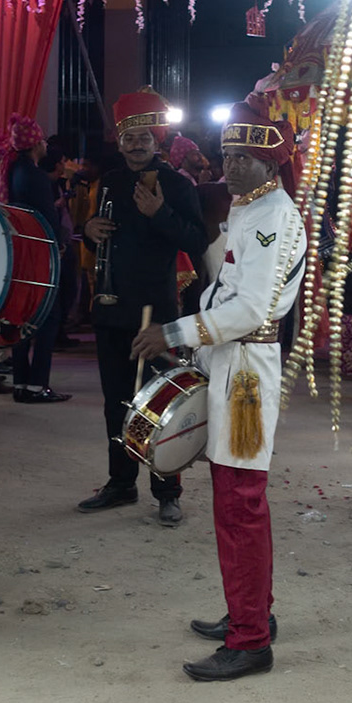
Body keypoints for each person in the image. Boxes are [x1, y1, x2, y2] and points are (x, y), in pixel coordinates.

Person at [131, 98, 305, 681]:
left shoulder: (275, 217)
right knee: (235, 500)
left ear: (270, 162)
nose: (228, 167)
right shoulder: (249, 209)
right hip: (230, 359)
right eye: (227, 155)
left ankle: (251, 638)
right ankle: (252, 612)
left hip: (248, 369)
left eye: (243, 158)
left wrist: (174, 333)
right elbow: (224, 288)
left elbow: (252, 306)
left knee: (240, 503)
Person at [78, 91, 206, 524]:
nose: (136, 145)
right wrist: (88, 229)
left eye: (144, 137)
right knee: (116, 401)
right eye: (128, 137)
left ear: (157, 140)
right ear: (119, 141)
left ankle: (167, 488)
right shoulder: (110, 180)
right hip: (112, 306)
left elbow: (196, 240)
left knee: (159, 401)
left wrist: (159, 213)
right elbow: (98, 230)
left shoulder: (176, 184)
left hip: (157, 313)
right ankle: (120, 483)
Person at [4, 116, 70, 403]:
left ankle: (21, 382)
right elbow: (48, 218)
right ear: (34, 145)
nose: (45, 145)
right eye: (41, 140)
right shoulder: (34, 175)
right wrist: (61, 244)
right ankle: (37, 384)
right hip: (39, 252)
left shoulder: (14, 170)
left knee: (21, 315)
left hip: (20, 250)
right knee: (48, 315)